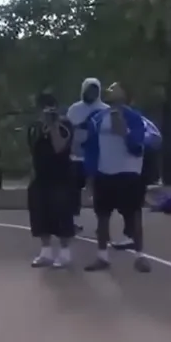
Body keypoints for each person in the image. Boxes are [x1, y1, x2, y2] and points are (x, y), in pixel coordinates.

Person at [82, 82, 157, 272]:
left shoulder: (135, 118)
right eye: (110, 88)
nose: (111, 90)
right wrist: (90, 176)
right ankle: (102, 256)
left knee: (134, 215)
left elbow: (138, 147)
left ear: (125, 95)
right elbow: (91, 149)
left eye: (116, 88)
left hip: (128, 174)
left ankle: (140, 256)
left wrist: (124, 131)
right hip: (104, 173)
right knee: (102, 217)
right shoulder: (97, 118)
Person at [27, 90, 76, 267]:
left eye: (51, 109)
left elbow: (59, 147)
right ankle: (46, 251)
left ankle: (65, 253)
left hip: (61, 177)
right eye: (44, 109)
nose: (47, 113)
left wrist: (53, 126)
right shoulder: (34, 127)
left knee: (62, 214)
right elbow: (33, 150)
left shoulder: (65, 125)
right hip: (41, 177)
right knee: (40, 214)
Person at [66, 78, 105, 234]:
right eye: (89, 90)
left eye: (95, 90)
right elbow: (67, 129)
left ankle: (101, 224)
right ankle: (72, 223)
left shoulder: (105, 109)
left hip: (98, 158)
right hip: (76, 157)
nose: (91, 93)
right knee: (72, 191)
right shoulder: (74, 109)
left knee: (99, 192)